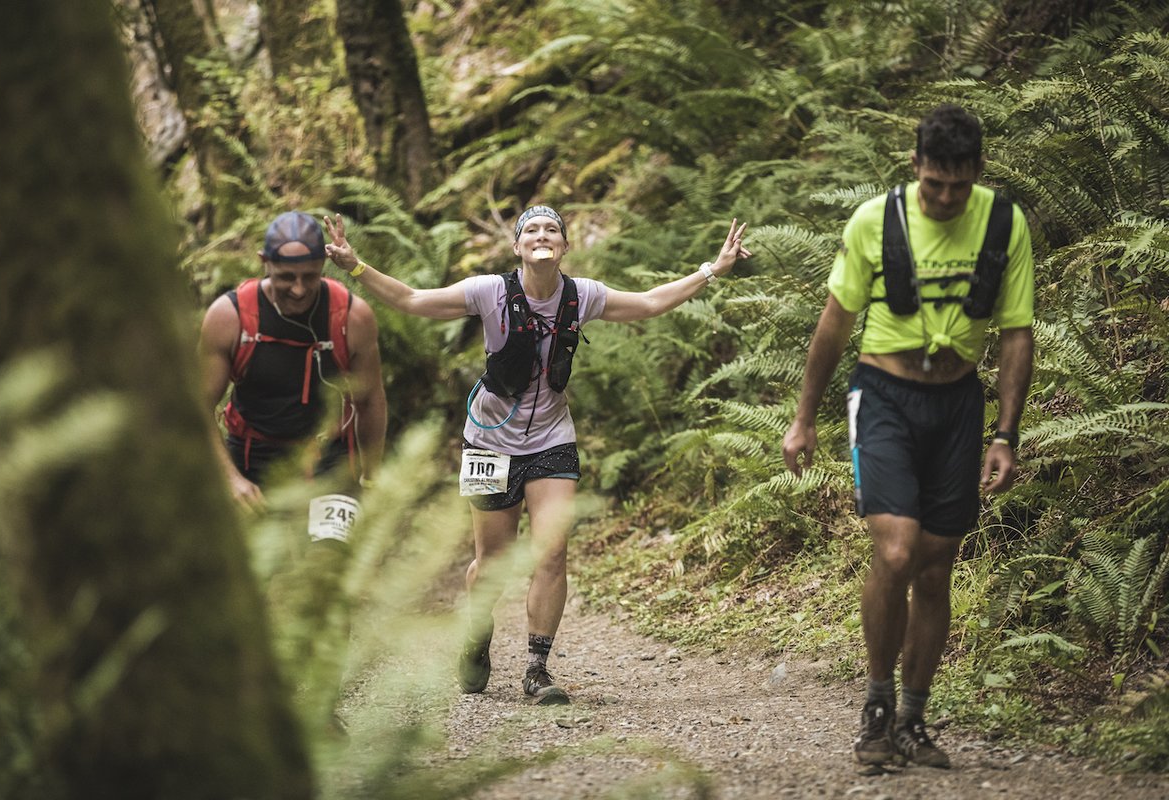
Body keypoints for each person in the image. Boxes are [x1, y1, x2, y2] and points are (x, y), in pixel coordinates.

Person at [323, 205, 750, 704]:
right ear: (518, 246)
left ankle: (537, 668)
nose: (542, 235)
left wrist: (710, 270)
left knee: (552, 550)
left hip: (552, 438)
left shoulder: (582, 295)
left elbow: (652, 302)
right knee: (492, 562)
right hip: (486, 441)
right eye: (532, 229)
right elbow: (415, 299)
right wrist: (355, 265)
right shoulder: (488, 292)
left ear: (564, 247)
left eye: (552, 229)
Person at [782, 104, 1034, 768]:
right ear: (915, 167)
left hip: (957, 402)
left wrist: (1005, 433)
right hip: (884, 395)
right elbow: (835, 325)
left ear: (977, 172)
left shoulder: (1004, 224)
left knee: (936, 561)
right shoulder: (875, 221)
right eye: (934, 185)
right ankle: (875, 707)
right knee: (896, 553)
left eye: (959, 185)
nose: (946, 198)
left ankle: (914, 720)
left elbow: (1015, 334)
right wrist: (804, 418)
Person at [200, 209, 387, 524]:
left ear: (323, 266)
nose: (298, 289)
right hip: (251, 461)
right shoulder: (229, 317)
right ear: (264, 262)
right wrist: (230, 479)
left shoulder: (352, 318)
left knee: (328, 565)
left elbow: (370, 402)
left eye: (309, 276)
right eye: (286, 276)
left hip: (329, 461)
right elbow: (198, 406)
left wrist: (371, 479)